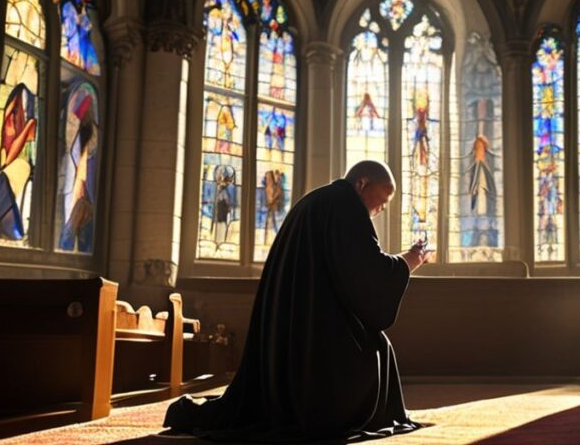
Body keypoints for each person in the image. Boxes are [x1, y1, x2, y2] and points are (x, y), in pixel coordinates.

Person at [163, 160, 428, 442]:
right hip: (315, 336)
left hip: (290, 329)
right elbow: (366, 271)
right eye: (383, 200)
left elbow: (350, 269)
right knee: (375, 349)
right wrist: (410, 260)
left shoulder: (316, 200)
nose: (381, 209)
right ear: (362, 184)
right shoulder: (346, 205)